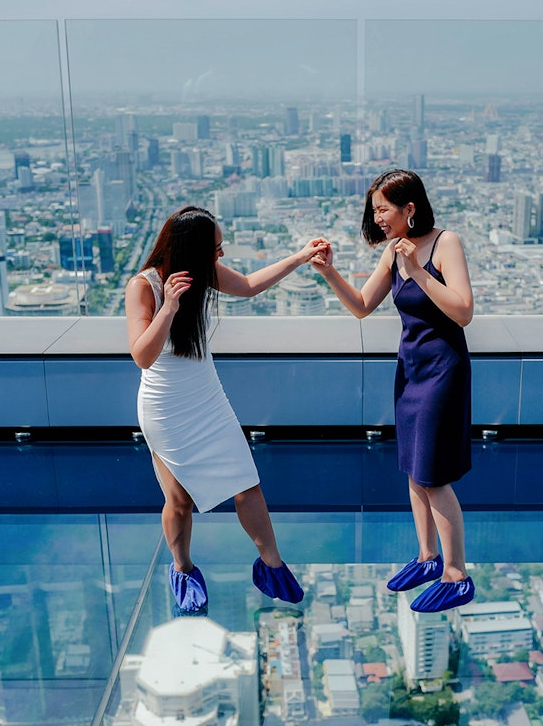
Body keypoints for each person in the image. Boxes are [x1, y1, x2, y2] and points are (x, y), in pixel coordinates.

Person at [126, 205, 328, 613]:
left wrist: (300, 256)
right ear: (190, 249)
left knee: (246, 484)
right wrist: (168, 307)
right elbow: (142, 356)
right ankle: (182, 569)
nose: (220, 255)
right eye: (214, 248)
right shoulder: (143, 286)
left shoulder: (204, 272)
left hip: (207, 399)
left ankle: (272, 566)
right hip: (165, 408)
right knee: (179, 500)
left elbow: (251, 285)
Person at [312, 169, 475, 613]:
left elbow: (463, 312)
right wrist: (329, 272)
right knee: (413, 467)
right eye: (374, 210)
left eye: (383, 208)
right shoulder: (391, 251)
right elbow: (362, 306)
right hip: (410, 370)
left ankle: (456, 574)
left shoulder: (446, 244)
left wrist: (417, 271)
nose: (377, 217)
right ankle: (427, 557)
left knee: (432, 474)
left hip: (443, 371)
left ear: (410, 207)